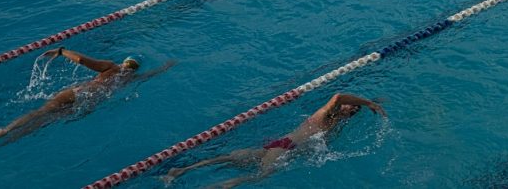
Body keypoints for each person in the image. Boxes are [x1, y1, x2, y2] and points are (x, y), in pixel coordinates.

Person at [164, 93, 386, 188]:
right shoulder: (324, 115)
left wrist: (371, 102)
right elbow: (338, 96)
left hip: (277, 145)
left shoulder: (334, 121)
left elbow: (344, 104)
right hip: (284, 150)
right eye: (352, 106)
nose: (352, 109)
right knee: (257, 177)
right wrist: (368, 102)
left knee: (226, 158)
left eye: (355, 110)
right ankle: (216, 187)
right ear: (343, 108)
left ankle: (179, 171)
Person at [0, 47, 168, 148]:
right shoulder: (130, 79)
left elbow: (81, 60)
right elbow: (152, 74)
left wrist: (61, 51)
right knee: (48, 121)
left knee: (41, 112)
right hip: (89, 103)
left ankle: (4, 131)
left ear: (125, 62)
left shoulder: (113, 67)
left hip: (77, 92)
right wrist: (168, 65)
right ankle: (7, 142)